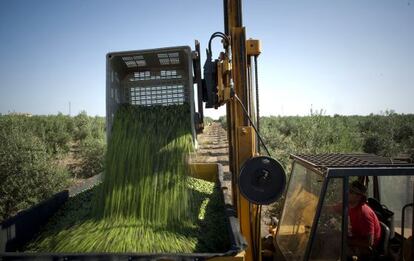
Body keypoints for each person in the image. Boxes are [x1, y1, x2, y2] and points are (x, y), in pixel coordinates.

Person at [347, 180, 382, 259]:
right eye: (348, 189)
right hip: (355, 240)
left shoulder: (364, 213)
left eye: (351, 191)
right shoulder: (349, 205)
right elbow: (331, 208)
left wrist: (347, 240)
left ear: (358, 197)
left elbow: (369, 242)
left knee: (338, 249)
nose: (347, 192)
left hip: (366, 250)